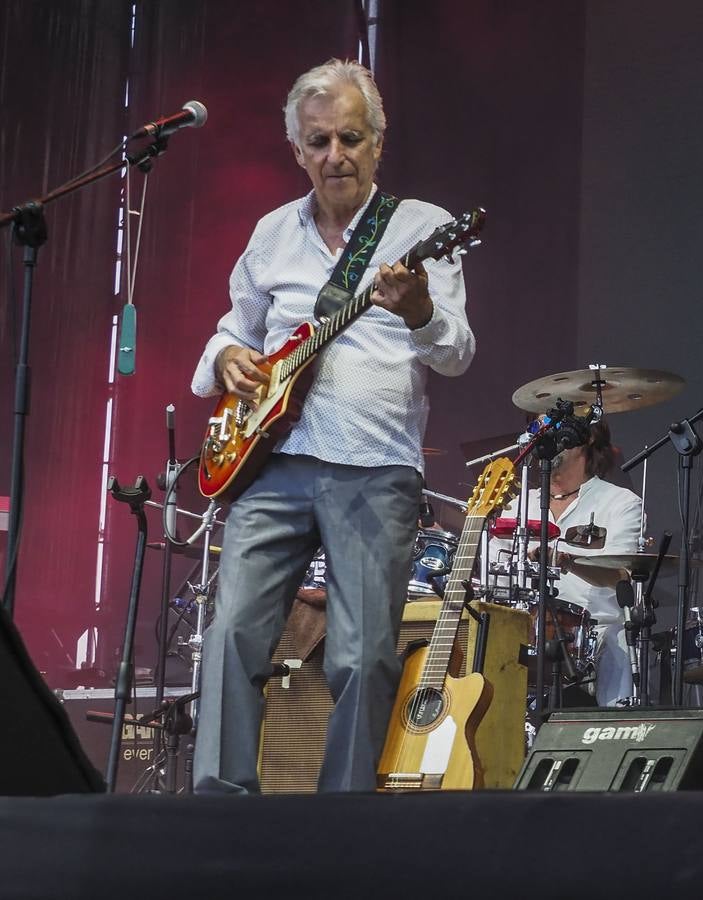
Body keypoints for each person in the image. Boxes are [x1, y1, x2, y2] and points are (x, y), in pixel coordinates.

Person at [189, 59, 475, 792]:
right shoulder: (271, 233)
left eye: (350, 138)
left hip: (374, 467)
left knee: (363, 656)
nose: (335, 155)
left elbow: (456, 353)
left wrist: (418, 310)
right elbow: (232, 329)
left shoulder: (422, 228)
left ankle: (342, 824)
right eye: (318, 141)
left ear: (378, 142)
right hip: (273, 461)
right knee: (230, 636)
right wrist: (226, 358)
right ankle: (219, 810)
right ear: (297, 150)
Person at [493, 419, 644, 707]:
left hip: (595, 637)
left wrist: (568, 563)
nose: (544, 434)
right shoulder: (516, 505)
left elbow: (621, 576)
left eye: (554, 425)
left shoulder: (621, 503)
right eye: (539, 426)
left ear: (588, 436)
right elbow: (494, 580)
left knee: (619, 643)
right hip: (522, 633)